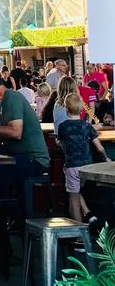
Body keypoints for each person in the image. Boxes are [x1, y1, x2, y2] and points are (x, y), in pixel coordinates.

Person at [0, 65, 50, 196]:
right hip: (17, 158)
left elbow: (16, 132)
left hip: (33, 159)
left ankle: (12, 214)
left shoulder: (12, 98)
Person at [57, 93, 111, 226]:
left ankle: (79, 236)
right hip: (87, 167)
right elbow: (99, 147)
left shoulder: (63, 127)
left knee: (73, 199)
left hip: (72, 165)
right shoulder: (86, 126)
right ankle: (88, 214)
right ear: (82, 109)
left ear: (66, 109)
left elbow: (61, 144)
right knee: (80, 191)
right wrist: (106, 158)